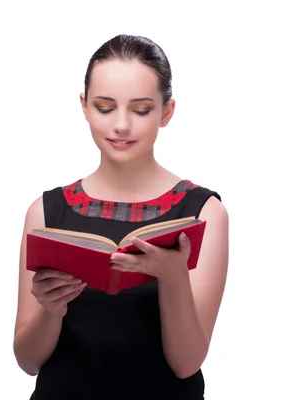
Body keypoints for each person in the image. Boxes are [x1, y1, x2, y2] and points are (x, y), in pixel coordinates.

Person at [12, 34, 229, 400]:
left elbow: (187, 362)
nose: (122, 126)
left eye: (141, 110)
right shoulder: (45, 212)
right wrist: (50, 312)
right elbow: (28, 361)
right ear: (84, 106)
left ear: (167, 111)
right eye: (105, 107)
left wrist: (173, 278)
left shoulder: (203, 213)